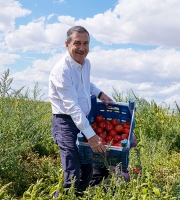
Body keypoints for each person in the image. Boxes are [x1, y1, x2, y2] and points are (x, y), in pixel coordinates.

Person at [48, 25, 113, 197]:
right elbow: (71, 106)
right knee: (73, 171)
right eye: (77, 43)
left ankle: (77, 196)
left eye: (86, 43)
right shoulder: (62, 70)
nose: (82, 48)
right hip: (66, 122)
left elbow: (86, 84)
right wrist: (91, 136)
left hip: (83, 121)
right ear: (67, 44)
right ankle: (62, 196)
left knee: (87, 171)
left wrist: (100, 93)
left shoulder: (86, 64)